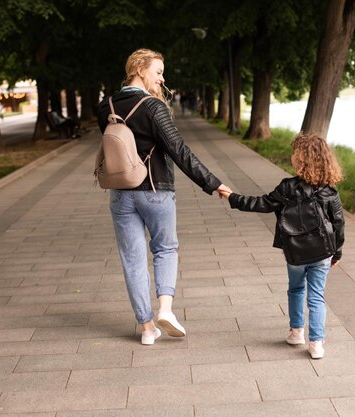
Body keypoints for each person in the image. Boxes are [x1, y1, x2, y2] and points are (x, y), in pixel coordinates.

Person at [97, 48, 232, 345]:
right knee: (165, 249)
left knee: (132, 260)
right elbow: (179, 151)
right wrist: (213, 184)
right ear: (139, 69)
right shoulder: (152, 107)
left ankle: (147, 329)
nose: (162, 78)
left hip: (120, 194)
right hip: (155, 191)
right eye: (158, 72)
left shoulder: (104, 105)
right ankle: (166, 310)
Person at [219, 133, 345, 359]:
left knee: (296, 288)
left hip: (295, 252)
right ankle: (316, 343)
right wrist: (337, 252)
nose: (291, 157)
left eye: (295, 153)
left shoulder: (288, 188)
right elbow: (338, 223)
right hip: (322, 252)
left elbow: (261, 204)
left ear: (302, 160)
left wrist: (232, 197)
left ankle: (296, 332)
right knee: (316, 297)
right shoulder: (329, 190)